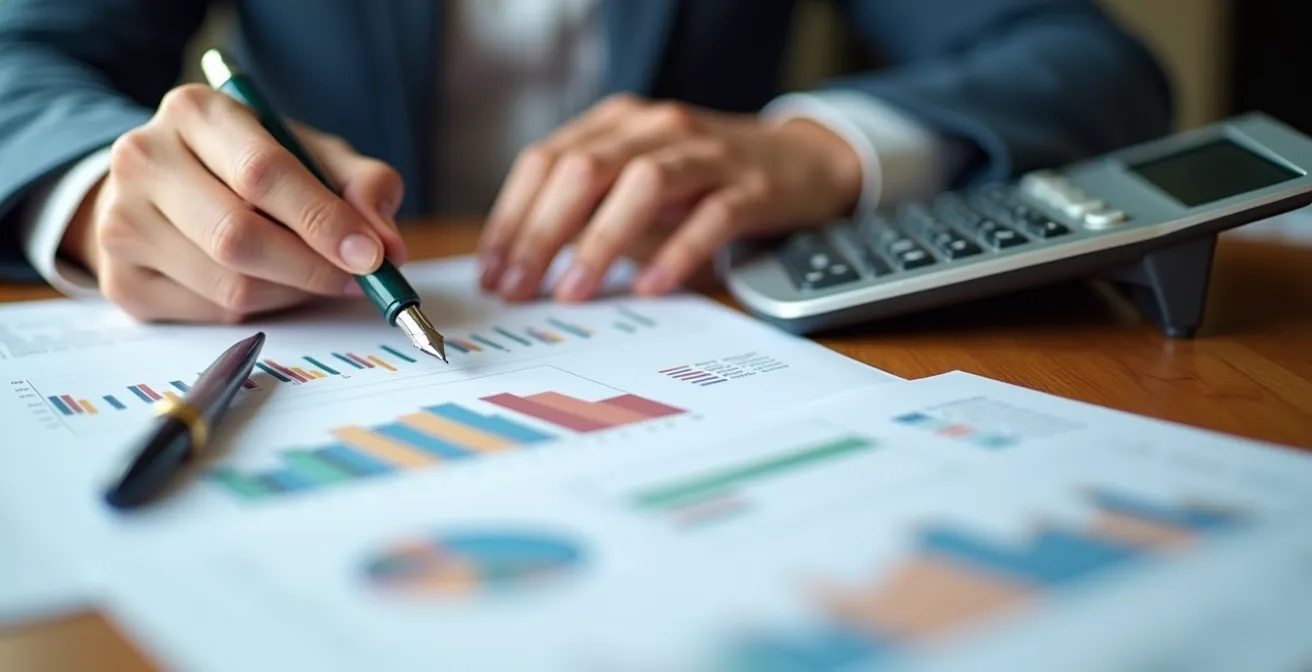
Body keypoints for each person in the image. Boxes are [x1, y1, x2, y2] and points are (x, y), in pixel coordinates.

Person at [0, 0, 1171, 324]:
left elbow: (1082, 58)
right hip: (319, 303)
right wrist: (105, 188)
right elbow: (23, 56)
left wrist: (820, 148)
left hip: (684, 304)